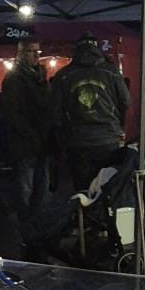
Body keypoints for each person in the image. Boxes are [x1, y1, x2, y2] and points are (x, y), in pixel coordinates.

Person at [50, 30, 131, 193]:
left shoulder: (63, 75)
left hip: (77, 141)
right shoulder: (111, 72)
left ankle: (84, 208)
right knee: (107, 187)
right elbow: (126, 102)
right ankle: (103, 209)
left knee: (82, 190)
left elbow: (55, 112)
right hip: (108, 138)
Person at [1, 39, 52, 240]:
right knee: (25, 188)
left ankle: (36, 225)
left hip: (41, 142)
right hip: (25, 143)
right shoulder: (14, 79)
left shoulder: (40, 77)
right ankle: (27, 228)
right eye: (32, 51)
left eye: (38, 51)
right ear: (21, 54)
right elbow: (12, 114)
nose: (37, 55)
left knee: (41, 187)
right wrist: (30, 134)